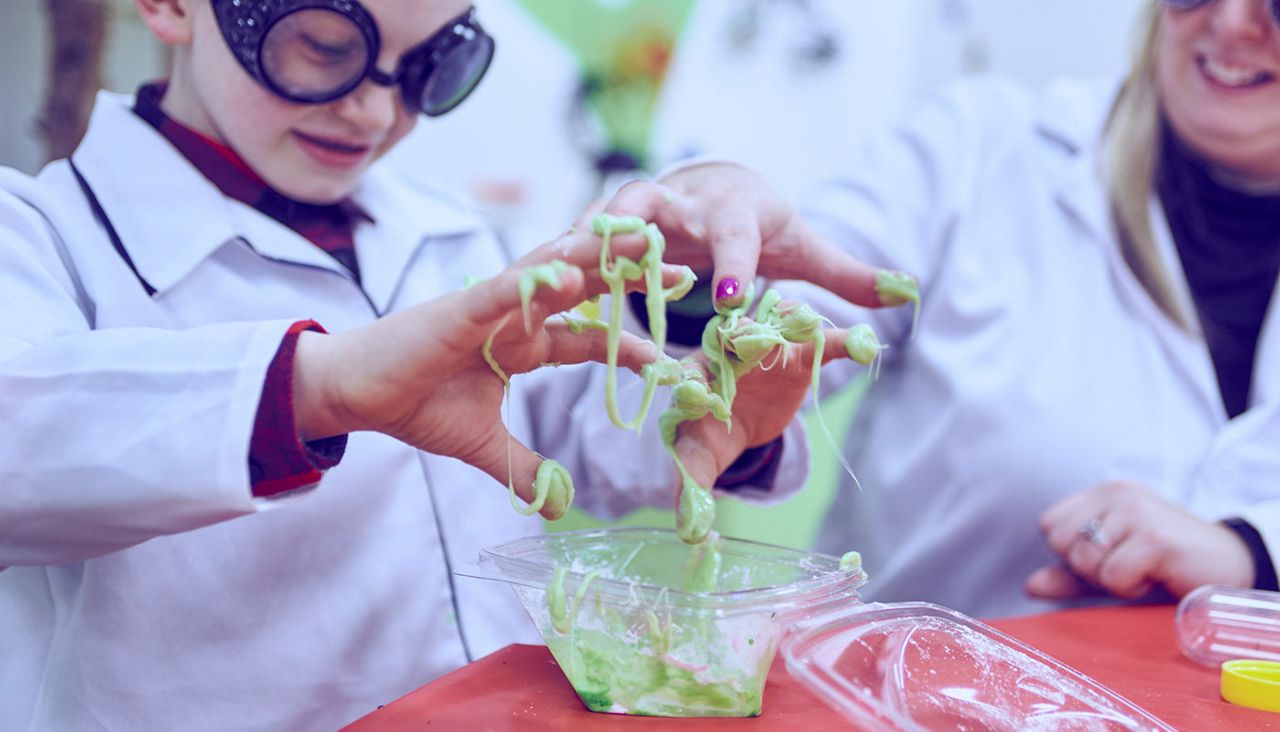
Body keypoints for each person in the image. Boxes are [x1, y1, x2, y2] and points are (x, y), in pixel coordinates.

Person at [0, 0, 884, 728]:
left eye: (429, 67)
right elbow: (22, 445)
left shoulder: (449, 231)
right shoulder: (43, 239)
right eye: (325, 47)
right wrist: (321, 389)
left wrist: (712, 400)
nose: (374, 113)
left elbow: (578, 438)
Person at [601, 0, 1280, 619]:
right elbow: (789, 307)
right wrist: (706, 293)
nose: (1229, 22)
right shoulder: (975, 155)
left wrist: (1252, 554)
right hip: (897, 693)